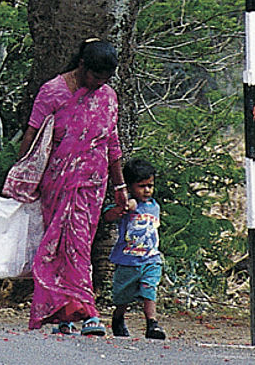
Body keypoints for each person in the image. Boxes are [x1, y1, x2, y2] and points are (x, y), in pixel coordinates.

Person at [16, 38, 126, 335]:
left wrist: (120, 187)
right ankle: (84, 314)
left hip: (92, 185)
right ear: (82, 65)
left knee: (78, 246)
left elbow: (112, 143)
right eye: (95, 76)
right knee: (61, 249)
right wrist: (22, 177)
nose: (98, 83)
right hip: (58, 183)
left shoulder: (108, 96)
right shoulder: (53, 91)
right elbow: (32, 134)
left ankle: (71, 312)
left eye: (105, 79)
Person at [104, 158, 167, 340]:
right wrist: (123, 207)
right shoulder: (127, 205)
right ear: (130, 187)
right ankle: (118, 317)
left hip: (150, 259)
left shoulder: (154, 206)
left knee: (149, 288)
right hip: (127, 260)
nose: (147, 190)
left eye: (150, 185)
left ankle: (152, 323)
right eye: (141, 186)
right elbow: (108, 216)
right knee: (123, 296)